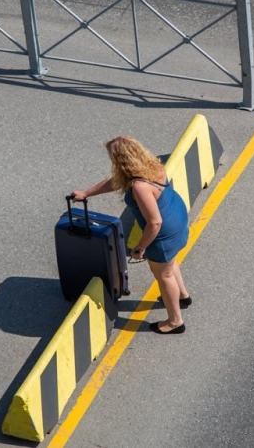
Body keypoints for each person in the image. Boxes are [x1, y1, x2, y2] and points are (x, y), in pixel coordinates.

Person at [72, 136, 191, 335]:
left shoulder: (139, 186)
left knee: (164, 274)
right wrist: (86, 193)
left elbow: (154, 223)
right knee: (169, 264)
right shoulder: (153, 167)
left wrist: (141, 247)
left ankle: (175, 321)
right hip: (178, 219)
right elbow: (116, 182)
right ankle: (182, 297)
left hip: (163, 234)